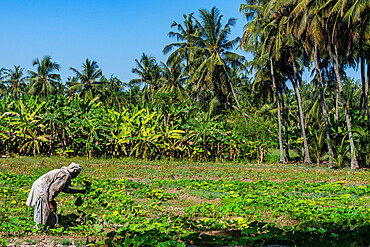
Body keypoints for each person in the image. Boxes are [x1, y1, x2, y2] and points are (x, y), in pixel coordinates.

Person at [26, 162, 86, 230]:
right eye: (77, 174)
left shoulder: (64, 173)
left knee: (47, 207)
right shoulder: (65, 175)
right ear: (74, 172)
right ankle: (39, 229)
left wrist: (79, 191)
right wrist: (50, 202)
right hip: (42, 188)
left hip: (42, 187)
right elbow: (53, 189)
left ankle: (46, 227)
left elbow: (65, 189)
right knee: (44, 208)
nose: (77, 176)